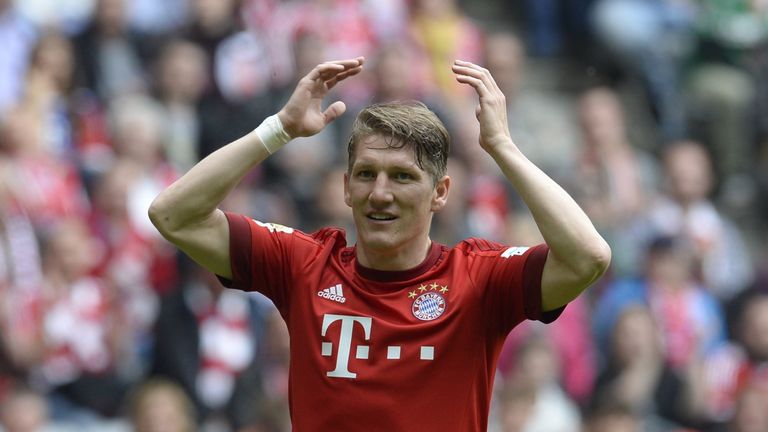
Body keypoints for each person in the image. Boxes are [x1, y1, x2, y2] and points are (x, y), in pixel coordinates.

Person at [149, 57, 611, 431]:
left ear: (441, 193)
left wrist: (502, 148)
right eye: (367, 174)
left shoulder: (478, 279)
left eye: (403, 177)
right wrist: (279, 129)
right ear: (347, 187)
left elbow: (587, 257)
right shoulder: (305, 264)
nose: (381, 192)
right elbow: (173, 214)